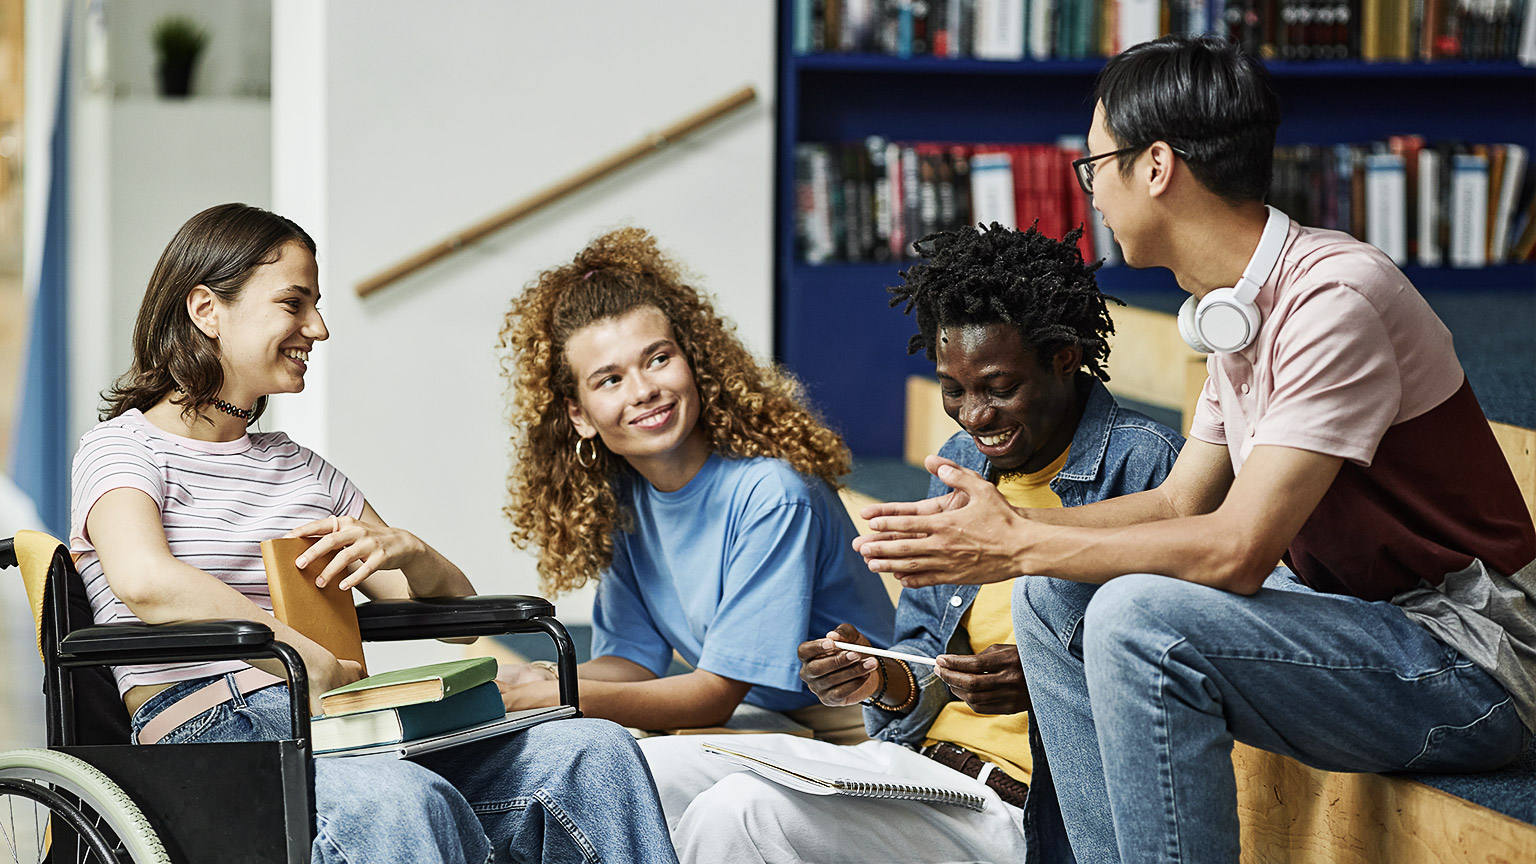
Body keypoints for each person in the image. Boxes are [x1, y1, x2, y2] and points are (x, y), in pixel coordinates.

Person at [855, 35, 1536, 864]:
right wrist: (1010, 538)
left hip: (1476, 660)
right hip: (1367, 625)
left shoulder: (1333, 301)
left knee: (1138, 616)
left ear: (1155, 166)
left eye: (1095, 165)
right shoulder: (1236, 310)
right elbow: (1180, 502)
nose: (1091, 192)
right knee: (1048, 598)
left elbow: (1239, 550)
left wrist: (1020, 541)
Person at [70, 203, 679, 864]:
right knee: (404, 799)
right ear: (206, 309)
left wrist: (412, 554)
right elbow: (145, 580)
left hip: (339, 721)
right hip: (214, 730)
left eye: (317, 305)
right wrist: (299, 652)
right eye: (295, 304)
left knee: (593, 751)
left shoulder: (302, 469)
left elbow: (457, 619)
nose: (319, 328)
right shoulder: (123, 450)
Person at [638, 223, 1184, 863]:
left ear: (1064, 356)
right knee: (640, 767)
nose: (975, 415)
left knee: (740, 812)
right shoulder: (959, 464)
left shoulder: (1148, 471)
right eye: (954, 388)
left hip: (1020, 813)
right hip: (914, 769)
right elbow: (923, 657)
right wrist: (878, 678)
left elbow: (1180, 677)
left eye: (1000, 387)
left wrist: (1047, 680)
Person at [495, 227, 894, 742]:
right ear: (579, 415)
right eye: (609, 380)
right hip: (764, 720)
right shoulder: (623, 500)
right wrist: (534, 678)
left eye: (658, 358)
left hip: (858, 726)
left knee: (626, 765)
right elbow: (631, 661)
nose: (644, 391)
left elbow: (712, 697)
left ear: (694, 362)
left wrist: (562, 694)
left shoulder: (773, 493)